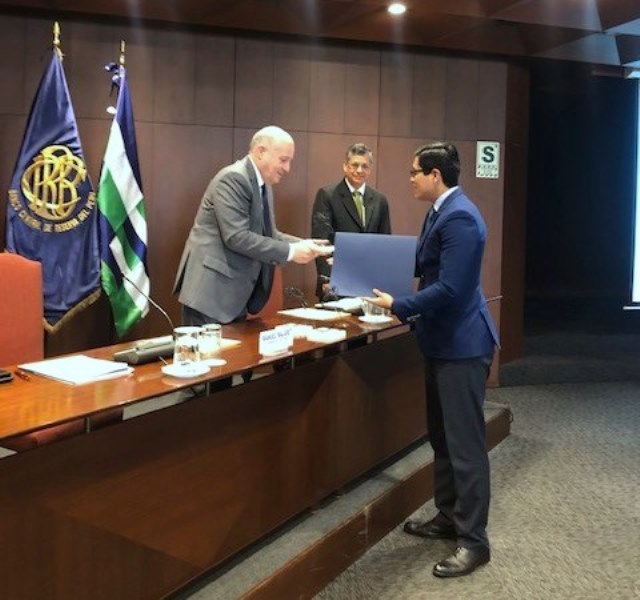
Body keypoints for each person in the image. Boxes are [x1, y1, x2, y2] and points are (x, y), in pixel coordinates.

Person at [368, 142, 499, 578]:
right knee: (442, 439)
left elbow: (452, 290)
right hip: (440, 343)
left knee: (465, 447)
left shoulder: (460, 217)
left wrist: (398, 305)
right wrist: (358, 265)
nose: (409, 179)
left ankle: (474, 542)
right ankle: (448, 517)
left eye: (414, 172)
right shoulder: (439, 211)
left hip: (462, 347)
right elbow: (424, 264)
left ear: (435, 175)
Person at [174, 125, 328, 325]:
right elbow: (236, 237)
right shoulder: (233, 178)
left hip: (233, 298)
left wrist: (304, 245)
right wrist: (291, 252)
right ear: (261, 152)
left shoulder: (262, 184)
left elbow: (269, 234)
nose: (287, 168)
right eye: (283, 160)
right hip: (211, 296)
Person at [311, 143, 391, 300]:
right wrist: (327, 278)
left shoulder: (380, 200)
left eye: (364, 166)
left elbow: (384, 241)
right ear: (345, 166)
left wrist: (383, 277)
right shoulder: (327, 195)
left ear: (370, 169)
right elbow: (321, 240)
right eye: (355, 165)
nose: (359, 170)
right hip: (337, 281)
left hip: (369, 282)